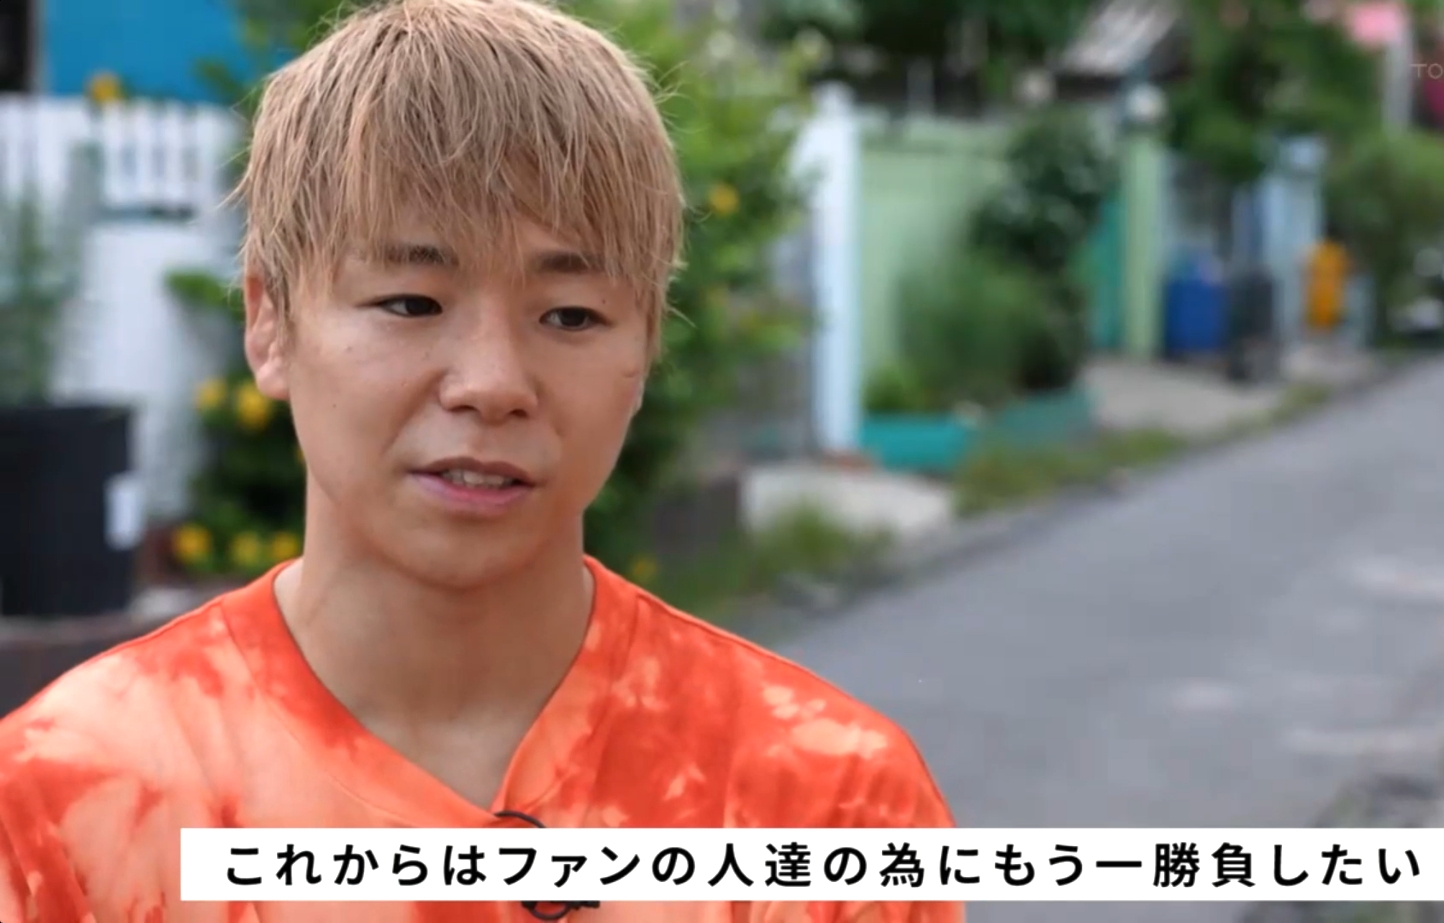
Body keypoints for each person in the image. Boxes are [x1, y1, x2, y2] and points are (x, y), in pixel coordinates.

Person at [0, 1, 960, 920]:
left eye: (570, 315)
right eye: (411, 303)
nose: (492, 384)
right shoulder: (62, 802)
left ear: (646, 347)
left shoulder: (823, 800)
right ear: (269, 322)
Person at [1304, 223, 1350, 337]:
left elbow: (1308, 270)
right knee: (1331, 329)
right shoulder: (1338, 253)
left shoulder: (1317, 252)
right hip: (1332, 296)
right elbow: (1347, 270)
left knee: (1318, 330)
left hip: (1318, 295)